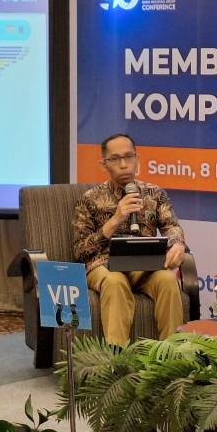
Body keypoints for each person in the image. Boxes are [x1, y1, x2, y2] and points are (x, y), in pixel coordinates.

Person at [72, 133, 186, 346]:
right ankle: (117, 359)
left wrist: (177, 244)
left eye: (128, 157)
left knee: (168, 281)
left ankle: (171, 355)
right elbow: (80, 250)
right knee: (115, 283)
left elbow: (171, 226)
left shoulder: (154, 193)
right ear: (104, 164)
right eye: (115, 159)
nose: (123, 165)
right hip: (104, 266)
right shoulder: (90, 199)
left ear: (137, 159)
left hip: (144, 266)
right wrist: (115, 220)